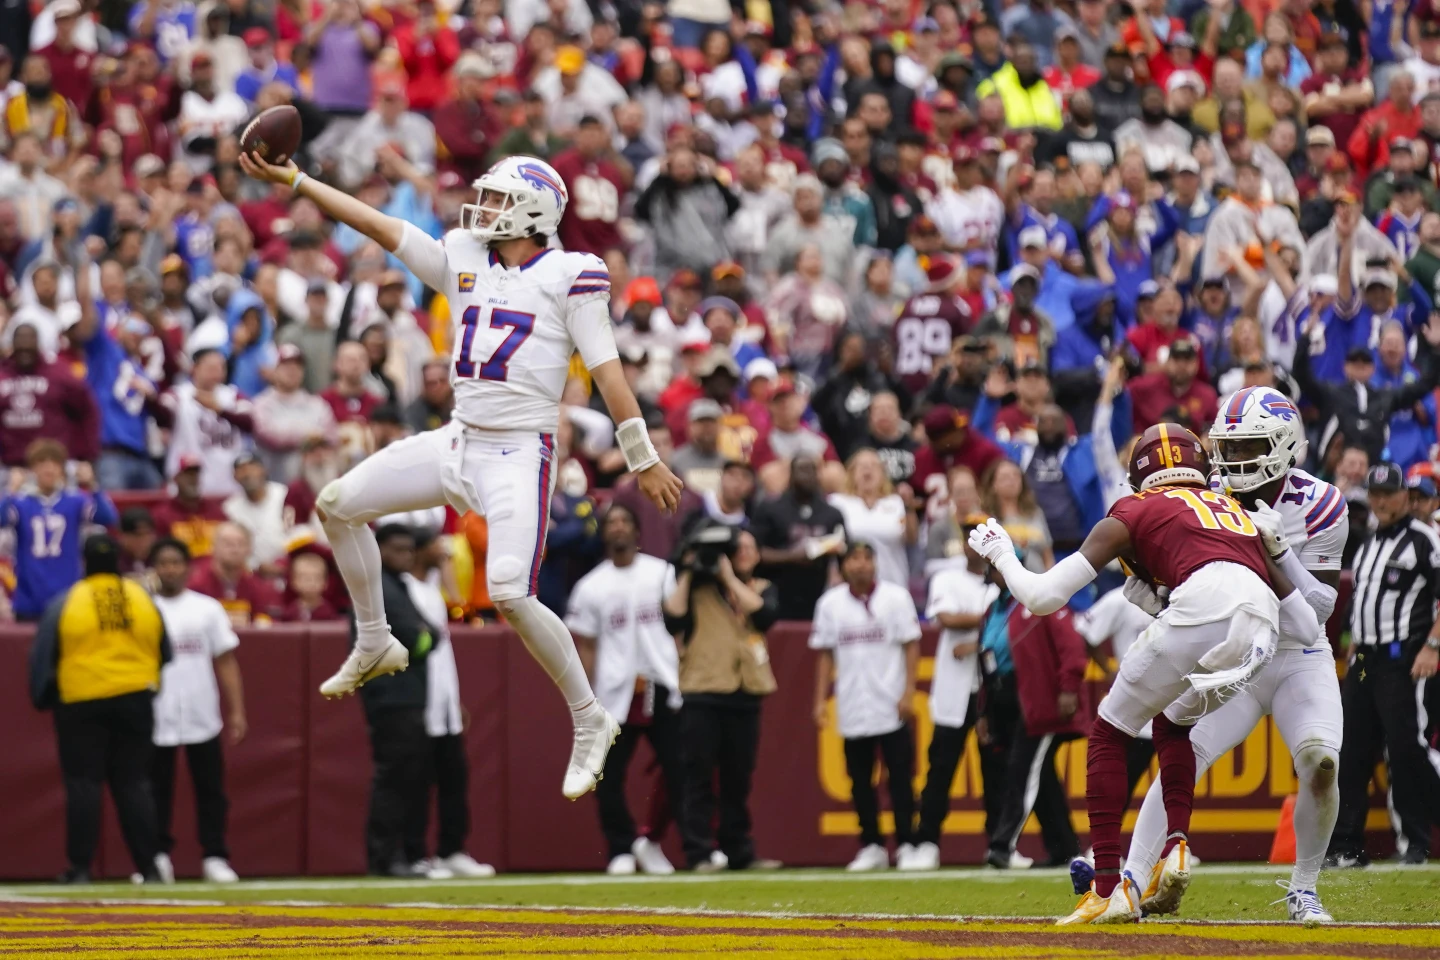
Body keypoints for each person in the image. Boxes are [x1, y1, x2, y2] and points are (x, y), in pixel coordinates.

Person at [236, 150, 682, 802]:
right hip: (458, 439)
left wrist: (640, 454)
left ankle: (590, 717)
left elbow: (608, 368)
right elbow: (381, 227)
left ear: (534, 210)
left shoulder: (570, 273)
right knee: (336, 503)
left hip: (518, 452)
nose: (486, 210)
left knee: (508, 591)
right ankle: (374, 638)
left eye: (501, 199)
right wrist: (299, 181)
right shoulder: (467, 256)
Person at [967, 422, 1320, 924]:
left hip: (1201, 609)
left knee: (1109, 733)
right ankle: (1175, 844)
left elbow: (1043, 598)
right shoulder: (1238, 515)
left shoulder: (1133, 509)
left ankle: (1109, 887)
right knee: (1172, 721)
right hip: (1261, 628)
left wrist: (1002, 552)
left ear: (1141, 474)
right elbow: (1307, 626)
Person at [1097, 388, 1348, 923]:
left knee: (1320, 762)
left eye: (1249, 447)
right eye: (1227, 449)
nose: (1233, 462)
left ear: (1281, 445)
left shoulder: (1321, 501)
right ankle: (1133, 881)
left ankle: (1304, 888)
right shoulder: (1205, 493)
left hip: (1299, 652)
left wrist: (1279, 553)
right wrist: (1159, 593)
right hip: (1233, 649)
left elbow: (1321, 608)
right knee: (1179, 754)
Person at [28, 534, 170, 884]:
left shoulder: (68, 600)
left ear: (85, 562)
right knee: (134, 784)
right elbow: (165, 651)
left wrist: (43, 697)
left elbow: (44, 655)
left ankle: (80, 869)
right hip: (135, 697)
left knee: (83, 785)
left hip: (81, 700)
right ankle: (149, 866)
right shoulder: (142, 598)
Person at [1329, 463, 1440, 867]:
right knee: (1352, 750)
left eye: (1388, 494)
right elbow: (1359, 601)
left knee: (1406, 750)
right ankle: (1346, 845)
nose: (1379, 501)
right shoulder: (1369, 543)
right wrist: (1351, 643)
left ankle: (1416, 841)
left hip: (1402, 659)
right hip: (1364, 660)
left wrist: (1432, 646)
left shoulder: (1425, 540)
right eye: (1374, 495)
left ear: (1405, 497)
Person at [566, 504, 682, 875]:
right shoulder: (590, 586)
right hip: (614, 691)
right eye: (611, 523)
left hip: (662, 682)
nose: (617, 528)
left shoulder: (662, 573)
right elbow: (585, 645)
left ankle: (651, 840)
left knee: (678, 767)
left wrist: (682, 672)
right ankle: (620, 847)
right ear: (604, 533)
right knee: (608, 775)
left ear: (637, 530)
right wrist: (583, 697)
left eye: (624, 521)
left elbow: (680, 628)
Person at [663, 527, 780, 871]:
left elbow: (764, 616)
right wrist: (687, 571)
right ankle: (699, 852)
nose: (741, 554)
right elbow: (671, 619)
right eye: (735, 549)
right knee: (698, 776)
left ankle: (739, 851)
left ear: (757, 555)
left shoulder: (761, 588)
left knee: (738, 778)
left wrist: (728, 577)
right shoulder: (696, 590)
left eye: (747, 548)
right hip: (703, 690)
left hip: (746, 693)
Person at [809, 541, 921, 872]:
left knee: (900, 778)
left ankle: (906, 844)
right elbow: (825, 653)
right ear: (843, 566)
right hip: (853, 704)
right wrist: (819, 701)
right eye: (853, 559)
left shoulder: (896, 598)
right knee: (859, 780)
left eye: (866, 558)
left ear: (875, 563)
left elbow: (912, 644)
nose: (860, 565)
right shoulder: (829, 604)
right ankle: (871, 844)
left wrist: (908, 692)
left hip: (891, 703)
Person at [980, 551, 1089, 871]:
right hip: (1007, 700)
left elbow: (1072, 647)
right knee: (1040, 777)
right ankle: (1065, 849)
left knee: (1021, 769)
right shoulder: (993, 609)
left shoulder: (1041, 601)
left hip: (1039, 700)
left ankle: (1003, 845)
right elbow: (984, 661)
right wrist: (983, 711)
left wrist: (1068, 687)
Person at [147, 538, 245, 885]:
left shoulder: (207, 609)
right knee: (157, 790)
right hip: (158, 714)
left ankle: (215, 856)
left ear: (187, 567)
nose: (170, 569)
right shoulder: (145, 609)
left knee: (211, 790)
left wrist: (237, 711)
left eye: (176, 562)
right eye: (163, 562)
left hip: (203, 713)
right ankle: (156, 857)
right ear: (154, 568)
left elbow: (226, 660)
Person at [403, 527, 495, 879]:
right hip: (418, 704)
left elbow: (444, 655)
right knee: (416, 781)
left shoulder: (432, 591)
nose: (443, 550)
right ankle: (415, 853)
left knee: (454, 778)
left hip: (444, 702)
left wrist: (453, 700)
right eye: (434, 546)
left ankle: (452, 849)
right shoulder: (402, 591)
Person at [904, 523, 997, 870]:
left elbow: (1016, 623)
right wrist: (991, 624)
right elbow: (944, 617)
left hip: (991, 689)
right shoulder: (947, 578)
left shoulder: (1006, 579)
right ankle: (925, 841)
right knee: (940, 769)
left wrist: (977, 639)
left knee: (996, 771)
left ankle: (1000, 844)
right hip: (954, 689)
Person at [355, 524, 434, 875]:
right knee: (395, 776)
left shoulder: (395, 586)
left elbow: (427, 633)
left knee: (405, 775)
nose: (407, 555)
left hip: (404, 694)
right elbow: (419, 639)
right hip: (393, 696)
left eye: (410, 548)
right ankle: (385, 857)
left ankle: (396, 854)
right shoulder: (380, 588)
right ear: (381, 550)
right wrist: (424, 636)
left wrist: (425, 635)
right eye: (398, 548)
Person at [750, 455, 847, 621]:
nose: (806, 475)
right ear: (791, 474)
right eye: (801, 469)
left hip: (817, 592)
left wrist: (837, 550)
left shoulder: (832, 513)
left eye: (811, 470)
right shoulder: (770, 508)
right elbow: (755, 552)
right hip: (777, 592)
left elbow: (844, 555)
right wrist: (794, 556)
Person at [827, 448, 915, 586]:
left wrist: (909, 507)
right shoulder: (837, 502)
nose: (867, 470)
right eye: (861, 466)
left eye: (874, 466)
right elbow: (829, 543)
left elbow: (911, 540)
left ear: (883, 474)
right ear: (851, 473)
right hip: (849, 585)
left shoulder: (896, 502)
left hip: (892, 582)